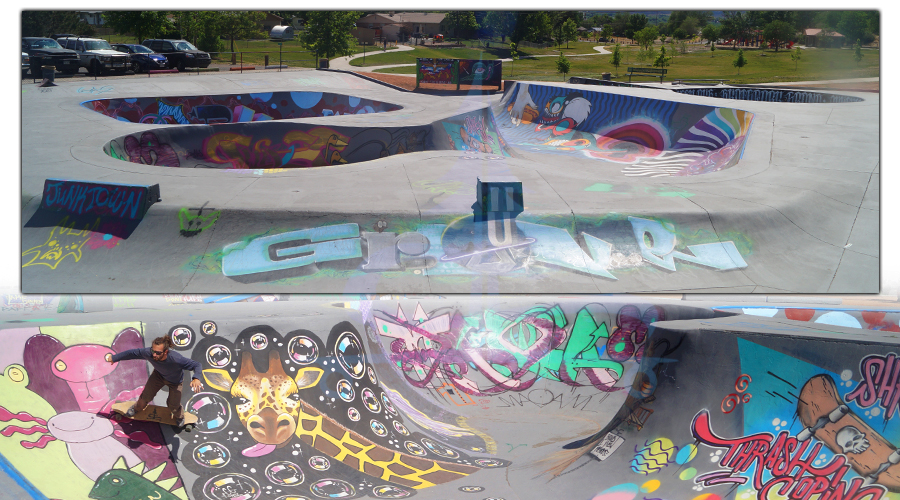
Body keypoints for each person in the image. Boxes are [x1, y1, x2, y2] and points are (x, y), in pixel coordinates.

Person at [106, 335, 203, 426]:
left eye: (158, 353)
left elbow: (197, 365)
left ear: (165, 352)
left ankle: (180, 417)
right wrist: (114, 358)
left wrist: (196, 378)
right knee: (145, 397)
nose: (154, 355)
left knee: (173, 405)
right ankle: (136, 408)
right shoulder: (148, 353)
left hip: (175, 382)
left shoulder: (176, 359)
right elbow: (132, 353)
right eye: (153, 351)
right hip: (158, 376)